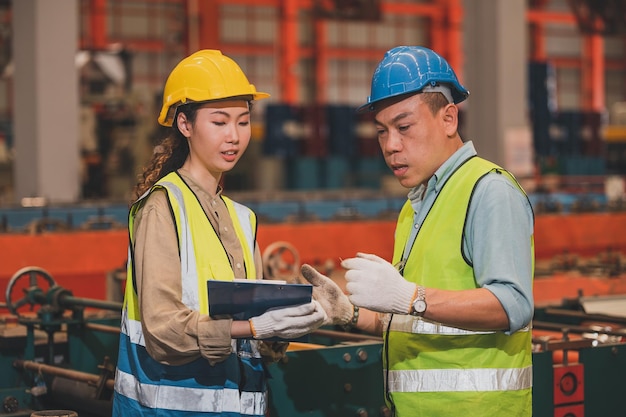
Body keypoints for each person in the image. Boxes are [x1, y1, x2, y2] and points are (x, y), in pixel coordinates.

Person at [301, 45, 534, 416]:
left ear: (449, 119)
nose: (391, 146)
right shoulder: (416, 207)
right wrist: (349, 313)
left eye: (404, 127)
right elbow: (416, 321)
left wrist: (412, 296)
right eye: (381, 132)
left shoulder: (488, 191)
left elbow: (513, 305)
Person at [112, 49, 326, 416]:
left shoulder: (243, 219)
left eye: (243, 122)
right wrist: (254, 327)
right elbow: (163, 331)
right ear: (185, 124)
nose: (234, 137)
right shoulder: (163, 207)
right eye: (220, 121)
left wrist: (292, 319)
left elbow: (252, 332)